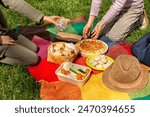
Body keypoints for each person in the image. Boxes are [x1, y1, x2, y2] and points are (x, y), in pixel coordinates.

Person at [0, 0, 60, 66]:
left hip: (4, 32)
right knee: (33, 59)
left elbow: (12, 1)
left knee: (34, 48)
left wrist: (42, 17)